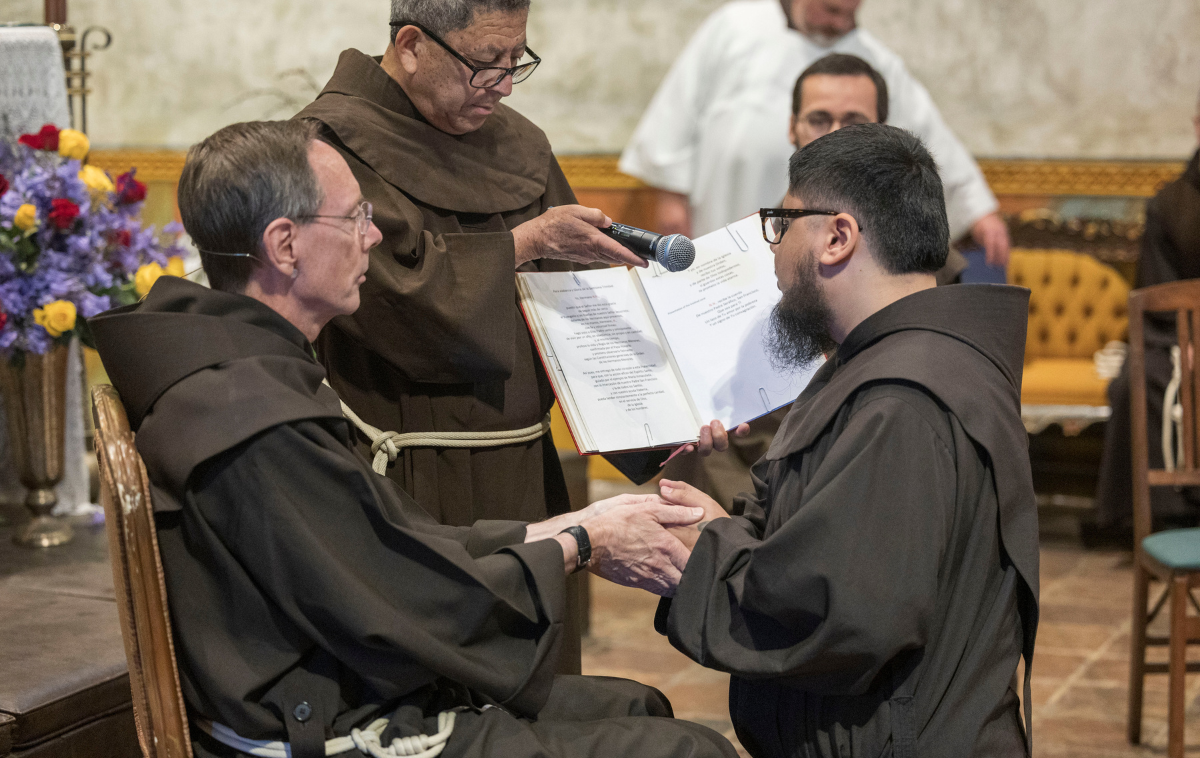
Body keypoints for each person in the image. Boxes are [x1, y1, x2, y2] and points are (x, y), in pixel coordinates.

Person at [88, 120, 737, 758]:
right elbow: (398, 603)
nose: (372, 236)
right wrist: (582, 543)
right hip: (319, 721)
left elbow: (385, 552)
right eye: (353, 218)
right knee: (687, 749)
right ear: (284, 246)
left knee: (636, 706)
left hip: (342, 674)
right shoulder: (249, 413)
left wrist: (580, 524)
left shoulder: (245, 366)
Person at [292, 0, 738, 674]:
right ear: (411, 44)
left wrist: (668, 414)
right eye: (484, 64)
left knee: (538, 685)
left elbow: (575, 310)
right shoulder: (327, 147)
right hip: (406, 481)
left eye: (516, 61)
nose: (502, 83)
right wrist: (521, 245)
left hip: (523, 473)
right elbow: (388, 306)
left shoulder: (519, 145)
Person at [654, 125, 1040, 756]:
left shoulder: (900, 403)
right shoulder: (896, 362)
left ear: (837, 237)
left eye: (781, 225)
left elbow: (838, 614)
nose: (773, 253)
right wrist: (716, 521)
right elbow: (817, 528)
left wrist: (699, 553)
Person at [663, 52, 964, 508]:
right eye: (819, 119)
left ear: (883, 126)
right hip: (753, 459)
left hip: (864, 466)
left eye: (855, 121)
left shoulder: (924, 258)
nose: (836, 135)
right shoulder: (756, 245)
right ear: (792, 127)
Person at [619, 0, 1010, 268]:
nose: (841, 23)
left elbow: (928, 140)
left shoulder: (874, 60)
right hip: (720, 236)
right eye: (832, 9)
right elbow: (671, 134)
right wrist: (674, 217)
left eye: (852, 10)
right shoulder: (732, 28)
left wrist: (979, 214)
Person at [1092, 101, 1200, 537]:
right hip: (1175, 337)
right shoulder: (1170, 204)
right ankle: (1164, 513)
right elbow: (1157, 290)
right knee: (1142, 379)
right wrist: (1189, 340)